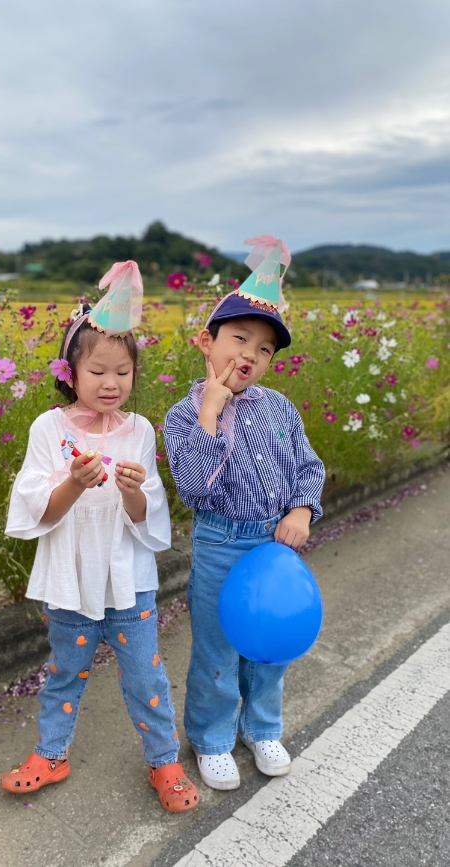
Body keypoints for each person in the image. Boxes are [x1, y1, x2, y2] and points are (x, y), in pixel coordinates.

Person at [0, 261, 199, 813]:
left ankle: (164, 762)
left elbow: (147, 514)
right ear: (70, 373)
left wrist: (133, 489)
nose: (112, 384)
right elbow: (36, 507)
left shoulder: (139, 431)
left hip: (127, 581)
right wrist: (72, 482)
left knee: (145, 675)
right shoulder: (49, 428)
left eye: (123, 372)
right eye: (98, 372)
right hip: (70, 579)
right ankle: (51, 753)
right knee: (65, 671)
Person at [164, 237, 325, 790]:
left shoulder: (279, 407)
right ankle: (211, 738)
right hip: (219, 543)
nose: (249, 355)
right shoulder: (183, 413)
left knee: (272, 646)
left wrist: (301, 511)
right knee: (217, 646)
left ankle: (262, 728)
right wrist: (211, 410)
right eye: (238, 338)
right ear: (205, 342)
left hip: (275, 545)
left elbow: (308, 467)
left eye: (263, 349)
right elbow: (194, 488)